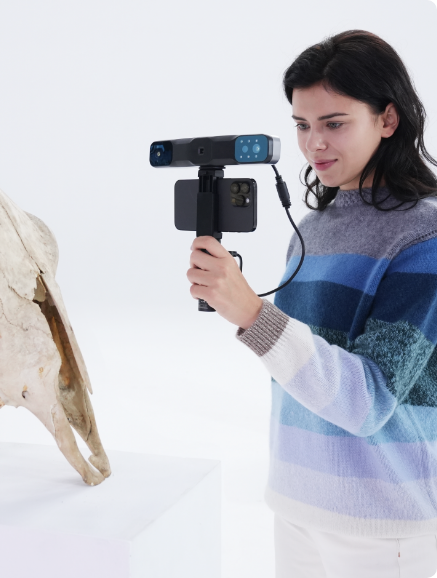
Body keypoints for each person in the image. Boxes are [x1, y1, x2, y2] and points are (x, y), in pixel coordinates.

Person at [187, 30, 437, 578]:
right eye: (302, 125)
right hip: (296, 506)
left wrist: (253, 314)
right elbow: (300, 373)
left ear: (388, 119)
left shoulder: (425, 236)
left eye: (334, 123)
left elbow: (368, 401)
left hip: (384, 525)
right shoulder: (313, 227)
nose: (313, 144)